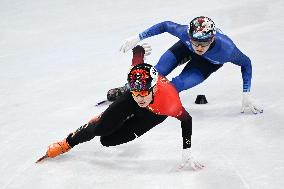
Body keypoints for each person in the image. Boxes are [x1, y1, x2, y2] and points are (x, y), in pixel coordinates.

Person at [36, 45, 204, 171]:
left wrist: (187, 149)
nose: (140, 98)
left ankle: (121, 118)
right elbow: (137, 56)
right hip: (127, 102)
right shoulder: (136, 77)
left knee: (107, 141)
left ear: (154, 89)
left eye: (143, 94)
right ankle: (68, 142)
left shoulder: (170, 102)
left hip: (154, 115)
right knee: (100, 129)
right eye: (136, 92)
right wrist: (138, 48)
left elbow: (187, 120)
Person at [114, 16, 263, 114]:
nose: (199, 47)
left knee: (175, 86)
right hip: (184, 48)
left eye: (203, 43)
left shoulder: (227, 49)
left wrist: (246, 93)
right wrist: (138, 37)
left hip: (207, 64)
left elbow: (246, 63)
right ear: (189, 35)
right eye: (195, 42)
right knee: (156, 72)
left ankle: (141, 107)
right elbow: (165, 25)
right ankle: (128, 89)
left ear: (212, 39)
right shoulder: (184, 33)